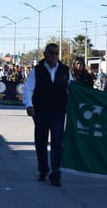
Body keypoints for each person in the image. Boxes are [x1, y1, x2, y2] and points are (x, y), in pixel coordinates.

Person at [23, 43, 73, 187]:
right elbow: (28, 89)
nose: (53, 56)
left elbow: (72, 89)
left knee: (57, 143)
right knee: (41, 143)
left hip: (58, 112)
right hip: (40, 112)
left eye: (56, 53)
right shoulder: (37, 70)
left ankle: (56, 174)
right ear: (45, 54)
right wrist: (29, 105)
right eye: (50, 53)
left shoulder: (65, 70)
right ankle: (43, 170)